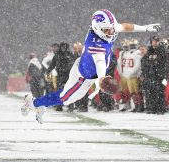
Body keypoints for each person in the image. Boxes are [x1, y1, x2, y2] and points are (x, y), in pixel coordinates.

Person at [21, 9, 161, 123]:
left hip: (88, 72)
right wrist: (102, 80)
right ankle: (33, 103)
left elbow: (124, 26)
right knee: (65, 98)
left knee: (70, 98)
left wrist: (144, 28)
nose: (111, 32)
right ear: (98, 28)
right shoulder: (96, 45)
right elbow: (100, 63)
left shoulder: (107, 28)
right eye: (107, 30)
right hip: (82, 76)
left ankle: (39, 104)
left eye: (112, 29)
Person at [141, 36, 169, 114]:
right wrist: (144, 73)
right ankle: (151, 108)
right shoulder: (149, 51)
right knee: (150, 93)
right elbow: (144, 63)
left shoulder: (163, 51)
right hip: (150, 76)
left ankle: (160, 109)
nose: (155, 42)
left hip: (160, 76)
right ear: (151, 41)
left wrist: (166, 77)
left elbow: (167, 65)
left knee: (160, 93)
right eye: (154, 41)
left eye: (157, 41)